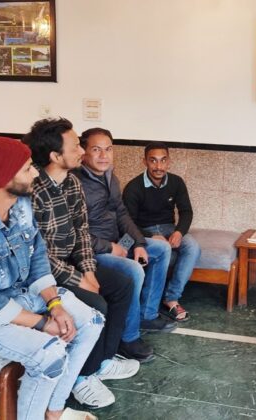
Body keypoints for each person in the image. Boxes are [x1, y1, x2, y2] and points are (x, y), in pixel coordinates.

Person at [0, 136, 102, 420]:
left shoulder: (21, 205)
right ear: (2, 177)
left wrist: (54, 304)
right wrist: (42, 323)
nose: (36, 173)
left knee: (91, 322)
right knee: (50, 355)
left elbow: (38, 257)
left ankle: (53, 411)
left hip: (13, 297)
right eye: (28, 167)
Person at [23, 118, 139, 409]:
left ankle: (102, 362)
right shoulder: (33, 191)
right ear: (55, 155)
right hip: (42, 273)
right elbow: (36, 255)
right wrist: (79, 280)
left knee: (122, 284)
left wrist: (88, 270)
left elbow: (82, 233)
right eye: (76, 146)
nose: (82, 151)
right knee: (95, 303)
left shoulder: (72, 183)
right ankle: (81, 377)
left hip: (71, 263)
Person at [75, 127, 176, 357]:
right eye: (96, 150)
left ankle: (147, 315)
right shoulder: (76, 183)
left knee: (161, 248)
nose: (104, 155)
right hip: (94, 251)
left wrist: (138, 242)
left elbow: (122, 214)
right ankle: (128, 338)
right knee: (133, 270)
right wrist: (110, 247)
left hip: (118, 241)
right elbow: (75, 234)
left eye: (108, 149)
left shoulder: (111, 177)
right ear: (83, 152)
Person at [123, 141, 201, 322]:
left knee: (193, 247)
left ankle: (171, 298)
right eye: (153, 161)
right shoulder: (133, 187)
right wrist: (151, 236)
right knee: (124, 247)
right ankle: (139, 306)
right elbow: (127, 223)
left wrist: (179, 232)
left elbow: (186, 212)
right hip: (142, 231)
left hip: (168, 228)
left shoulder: (176, 182)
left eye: (163, 160)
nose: (158, 166)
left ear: (169, 162)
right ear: (145, 162)